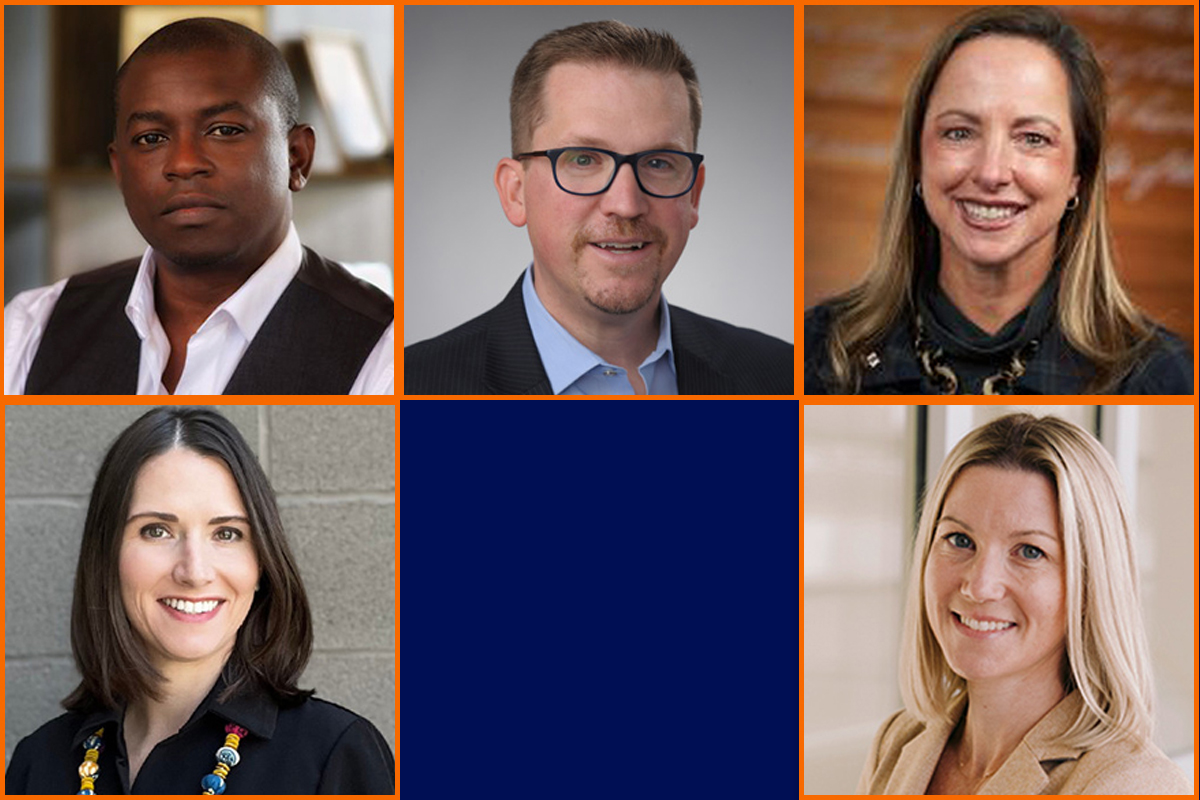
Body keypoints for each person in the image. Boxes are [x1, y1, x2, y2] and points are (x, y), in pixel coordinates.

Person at [4, 407, 394, 794]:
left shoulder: (333, 755)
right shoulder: (38, 763)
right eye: (156, 531)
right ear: (105, 556)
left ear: (261, 563)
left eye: (226, 534)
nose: (194, 571)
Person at [804, 7, 1191, 395]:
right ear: (918, 159)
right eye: (959, 133)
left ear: (1078, 175)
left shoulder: (1162, 378)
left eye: (1033, 138)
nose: (992, 172)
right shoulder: (815, 352)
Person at [3, 18, 394, 395]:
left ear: (296, 157)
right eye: (151, 138)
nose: (184, 163)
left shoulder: (386, 351)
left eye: (225, 130)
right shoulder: (33, 328)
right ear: (119, 170)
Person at [404, 20, 793, 395]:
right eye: (584, 160)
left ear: (694, 195)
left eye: (658, 163)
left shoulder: (781, 375)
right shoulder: (412, 389)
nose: (626, 205)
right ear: (515, 192)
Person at [857, 414, 1188, 795]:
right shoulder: (897, 743)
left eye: (1029, 551)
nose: (980, 586)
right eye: (959, 540)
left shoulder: (1133, 785)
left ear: (1090, 586)